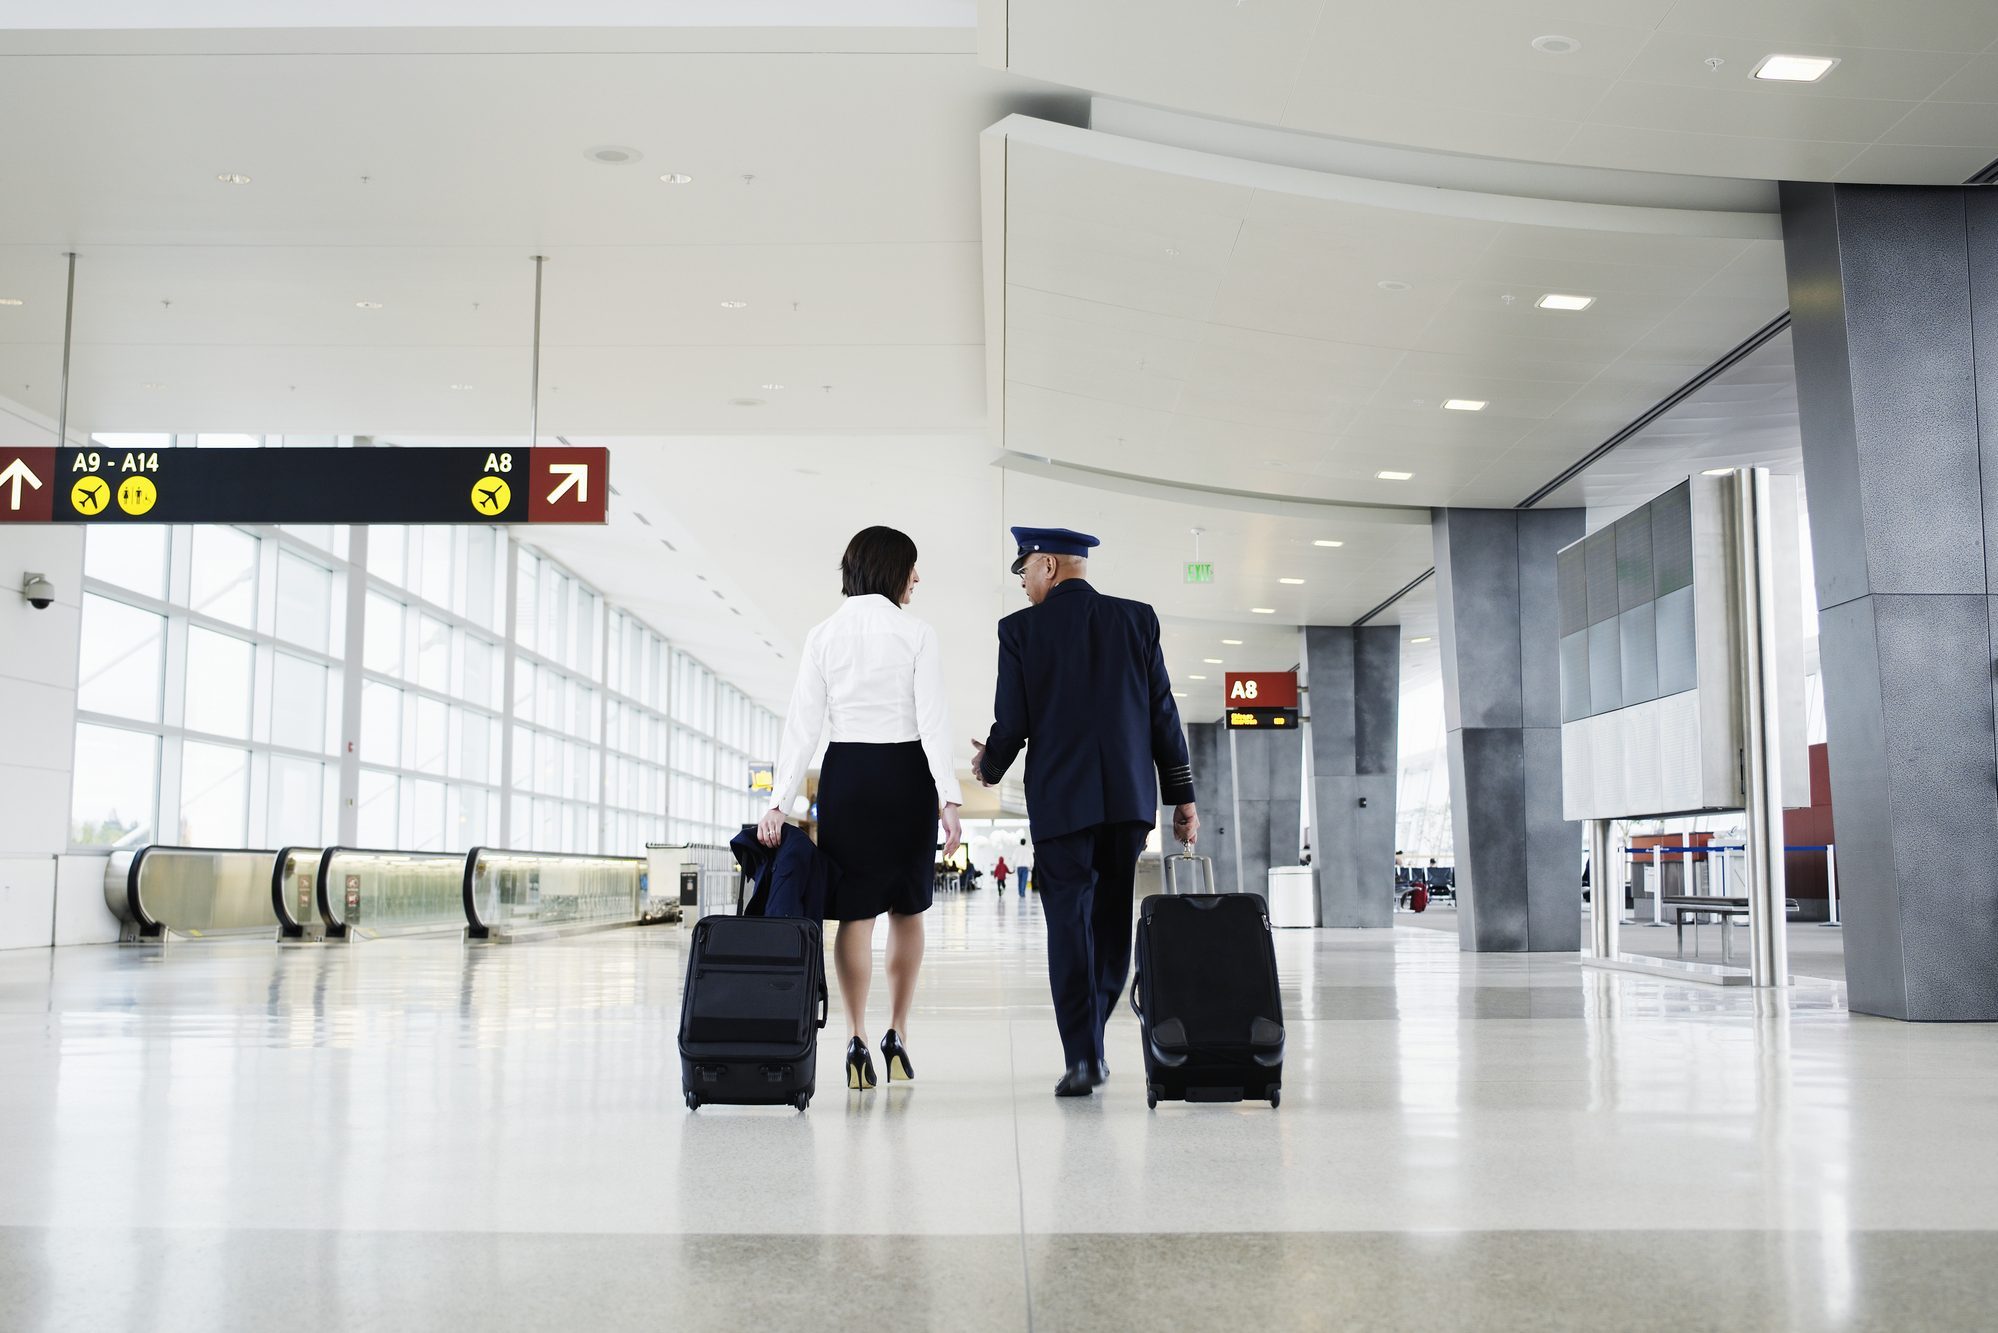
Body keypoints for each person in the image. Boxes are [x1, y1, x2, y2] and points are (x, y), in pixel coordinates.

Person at [974, 526, 1198, 1098]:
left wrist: (988, 767)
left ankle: (1082, 1055)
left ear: (1048, 565)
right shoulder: (1137, 619)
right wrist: (1182, 796)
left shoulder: (1020, 630)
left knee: (1068, 926)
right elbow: (1162, 713)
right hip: (1127, 801)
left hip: (1061, 802)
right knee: (1111, 923)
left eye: (1024, 570)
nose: (1022, 584)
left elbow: (1013, 720)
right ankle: (1092, 1038)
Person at [761, 526, 963, 1092]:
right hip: (907, 776)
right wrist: (948, 796)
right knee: (908, 907)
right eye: (913, 568)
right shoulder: (917, 633)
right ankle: (897, 1031)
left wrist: (779, 803)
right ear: (892, 568)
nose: (917, 579)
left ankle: (854, 1037)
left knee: (856, 913)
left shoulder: (823, 635)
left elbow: (802, 725)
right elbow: (933, 721)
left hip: (846, 775)